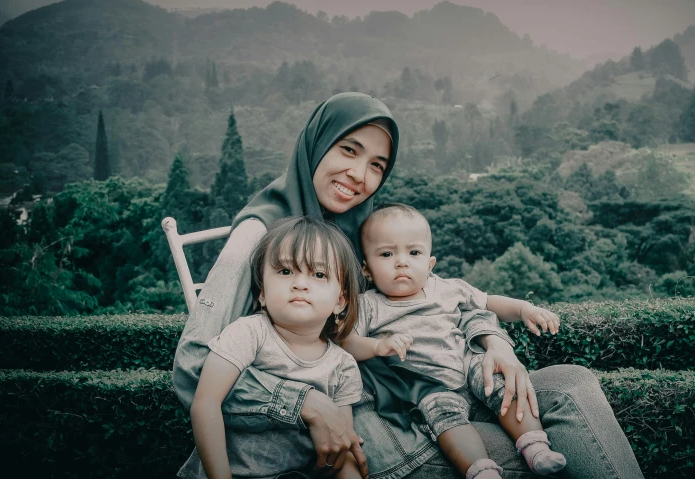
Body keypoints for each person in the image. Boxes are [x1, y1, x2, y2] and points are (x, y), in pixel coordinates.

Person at [172, 92, 645, 479]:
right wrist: (306, 402)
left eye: (377, 165)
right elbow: (194, 367)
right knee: (527, 450)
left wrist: (492, 338)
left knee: (571, 386)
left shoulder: (360, 229)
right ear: (316, 144)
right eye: (348, 150)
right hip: (366, 420)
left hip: (424, 383)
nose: (359, 176)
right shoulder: (260, 235)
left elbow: (436, 293)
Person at [342, 203, 567, 479]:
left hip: (468, 368)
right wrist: (377, 346)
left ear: (430, 263)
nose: (402, 262)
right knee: (445, 419)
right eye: (387, 254)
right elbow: (347, 342)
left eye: (414, 253)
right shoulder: (368, 305)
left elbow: (489, 302)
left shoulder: (447, 288)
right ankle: (481, 469)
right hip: (428, 386)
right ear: (366, 269)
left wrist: (523, 309)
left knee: (504, 385)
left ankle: (536, 447)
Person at [182, 217, 368, 479]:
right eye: (285, 271)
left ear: (340, 301)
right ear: (262, 294)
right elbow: (205, 403)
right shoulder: (249, 334)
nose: (300, 283)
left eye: (318, 274)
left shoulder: (343, 366)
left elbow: (340, 446)